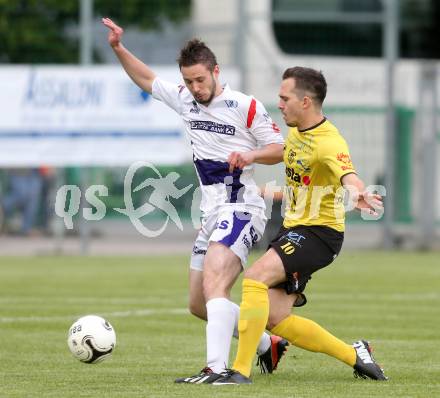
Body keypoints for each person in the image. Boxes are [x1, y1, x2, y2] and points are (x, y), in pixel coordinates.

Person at [102, 18, 288, 383]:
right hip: (212, 213)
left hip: (242, 208)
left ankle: (216, 369)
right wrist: (118, 48)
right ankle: (268, 344)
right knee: (198, 304)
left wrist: (251, 156)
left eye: (201, 79)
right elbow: (145, 79)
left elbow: (280, 149)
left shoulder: (244, 105)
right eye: (188, 81)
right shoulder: (185, 99)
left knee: (216, 283)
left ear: (215, 71)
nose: (195, 87)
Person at [213, 66, 388, 385]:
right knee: (277, 319)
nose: (279, 103)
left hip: (319, 235)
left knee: (254, 279)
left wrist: (357, 191)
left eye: (284, 98)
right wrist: (254, 162)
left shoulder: (329, 142)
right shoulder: (297, 132)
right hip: (294, 229)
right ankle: (355, 354)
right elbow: (288, 158)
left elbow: (347, 174)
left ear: (305, 101)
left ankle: (238, 372)